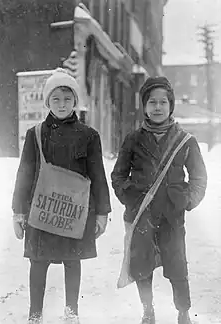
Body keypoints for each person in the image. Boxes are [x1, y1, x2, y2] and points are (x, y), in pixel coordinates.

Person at [12, 68, 111, 324]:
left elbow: (98, 175)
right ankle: (35, 314)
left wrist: (102, 212)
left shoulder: (89, 136)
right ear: (47, 102)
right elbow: (24, 173)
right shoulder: (35, 135)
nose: (62, 104)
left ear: (75, 102)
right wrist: (18, 211)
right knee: (38, 262)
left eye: (67, 98)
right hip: (41, 208)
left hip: (75, 211)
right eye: (56, 98)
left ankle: (71, 312)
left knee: (72, 261)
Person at [111, 76, 207, 324]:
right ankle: (147, 310)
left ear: (170, 105)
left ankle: (183, 311)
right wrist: (130, 197)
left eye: (163, 102)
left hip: (172, 214)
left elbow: (199, 178)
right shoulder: (133, 139)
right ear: (144, 106)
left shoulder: (185, 140)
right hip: (141, 213)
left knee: (177, 266)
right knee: (142, 265)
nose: (157, 107)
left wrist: (187, 199)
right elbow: (118, 175)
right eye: (152, 102)